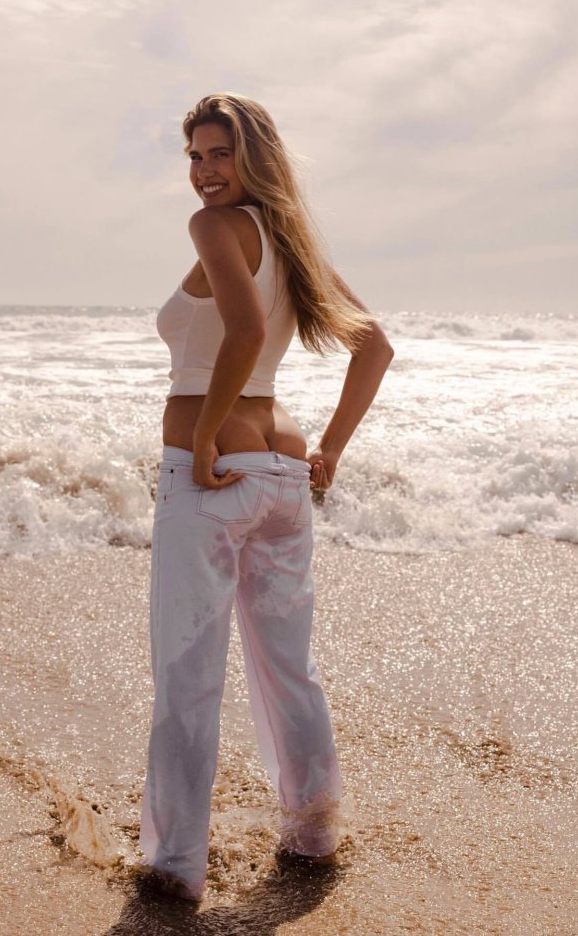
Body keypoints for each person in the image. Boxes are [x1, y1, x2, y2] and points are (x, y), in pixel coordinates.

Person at [136, 92, 394, 902]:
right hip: (284, 477)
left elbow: (244, 332)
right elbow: (375, 346)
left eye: (219, 154)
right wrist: (330, 452)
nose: (204, 172)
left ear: (254, 156)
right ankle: (313, 834)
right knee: (289, 670)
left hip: (214, 475)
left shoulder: (214, 230)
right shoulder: (290, 240)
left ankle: (175, 865)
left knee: (188, 673)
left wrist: (206, 438)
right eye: (195, 156)